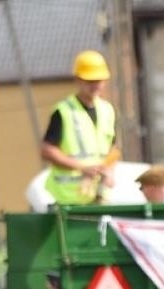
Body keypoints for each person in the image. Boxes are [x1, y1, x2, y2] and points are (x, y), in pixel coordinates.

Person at [40, 51, 118, 207]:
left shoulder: (107, 110)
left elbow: (113, 150)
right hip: (69, 199)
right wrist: (82, 168)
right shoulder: (63, 111)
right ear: (78, 80)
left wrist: (109, 171)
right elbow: (47, 150)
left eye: (98, 80)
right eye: (89, 80)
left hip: (99, 196)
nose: (95, 85)